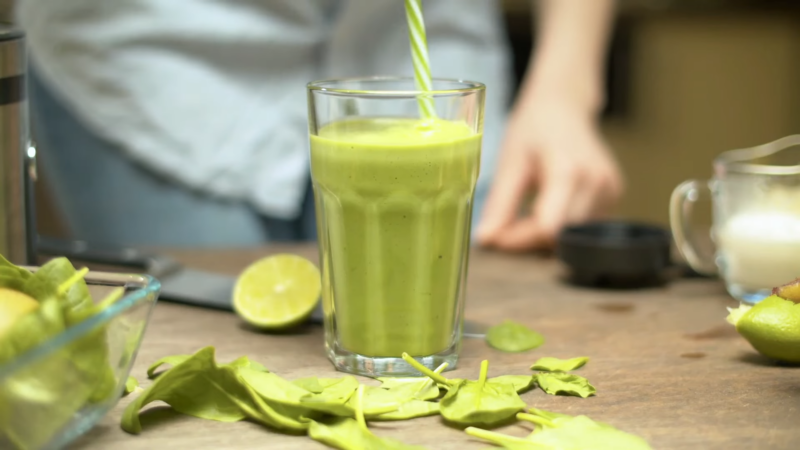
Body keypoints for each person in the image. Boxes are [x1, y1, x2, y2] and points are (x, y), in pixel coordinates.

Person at [16, 0, 621, 249]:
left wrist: (566, 85)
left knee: (439, 350)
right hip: (158, 53)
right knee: (212, 363)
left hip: (421, 42)